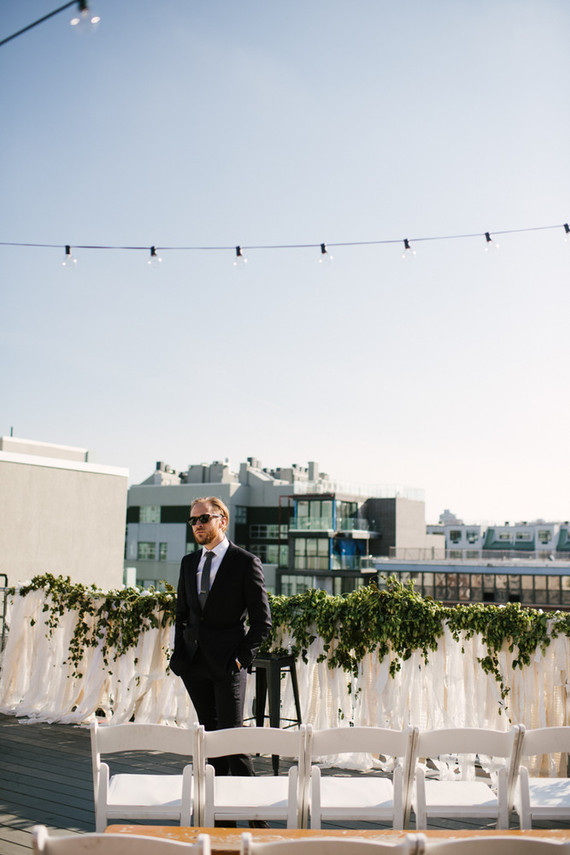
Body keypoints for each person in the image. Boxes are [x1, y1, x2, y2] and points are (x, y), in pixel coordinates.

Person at [169, 496, 272, 782]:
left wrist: (240, 660)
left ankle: (257, 820)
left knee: (233, 744)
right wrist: (180, 657)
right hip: (194, 666)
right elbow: (182, 614)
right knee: (211, 744)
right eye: (193, 520)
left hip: (228, 667)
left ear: (222, 521)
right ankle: (219, 818)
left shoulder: (245, 562)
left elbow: (262, 623)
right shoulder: (189, 563)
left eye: (204, 518)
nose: (198, 524)